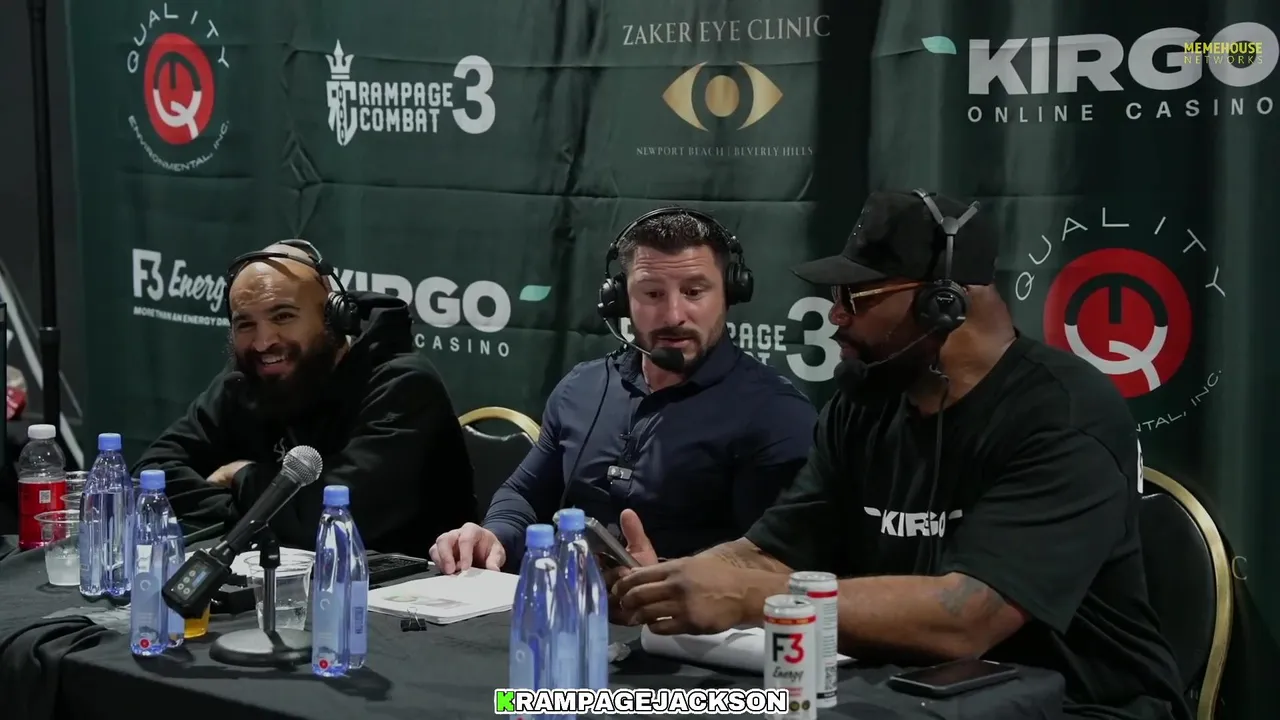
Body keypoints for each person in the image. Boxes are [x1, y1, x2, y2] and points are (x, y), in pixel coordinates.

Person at [612, 191, 1190, 720]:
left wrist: (745, 598)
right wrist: (673, 580)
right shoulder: (864, 405)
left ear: (944, 304)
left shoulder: (1065, 415)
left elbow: (968, 619)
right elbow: (773, 553)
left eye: (855, 297)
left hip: (1081, 705)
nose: (835, 316)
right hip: (912, 696)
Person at [430, 207, 817, 573]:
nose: (674, 315)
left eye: (694, 292)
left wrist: (670, 576)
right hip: (573, 605)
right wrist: (494, 535)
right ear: (619, 300)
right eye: (652, 294)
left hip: (692, 618)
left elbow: (779, 561)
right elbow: (524, 495)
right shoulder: (582, 388)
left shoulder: (776, 414)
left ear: (730, 294)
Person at [133, 239, 476, 557]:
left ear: (334, 316)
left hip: (406, 589)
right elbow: (150, 477)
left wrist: (241, 476)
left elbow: (332, 523)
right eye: (245, 324)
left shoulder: (402, 385)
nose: (264, 341)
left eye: (283, 316)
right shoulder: (248, 378)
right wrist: (247, 511)